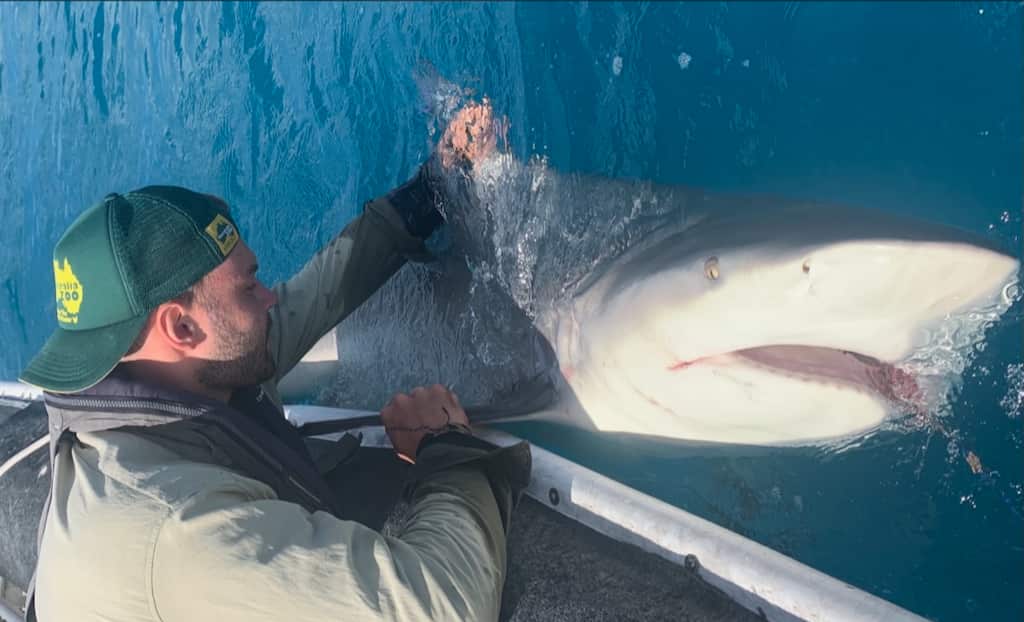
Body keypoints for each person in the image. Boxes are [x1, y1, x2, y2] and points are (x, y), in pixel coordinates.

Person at [17, 101, 530, 622]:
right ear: (182, 328)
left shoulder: (162, 373)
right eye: (248, 287)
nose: (268, 298)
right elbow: (443, 610)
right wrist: (448, 449)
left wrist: (432, 187)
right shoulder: (181, 533)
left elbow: (317, 294)